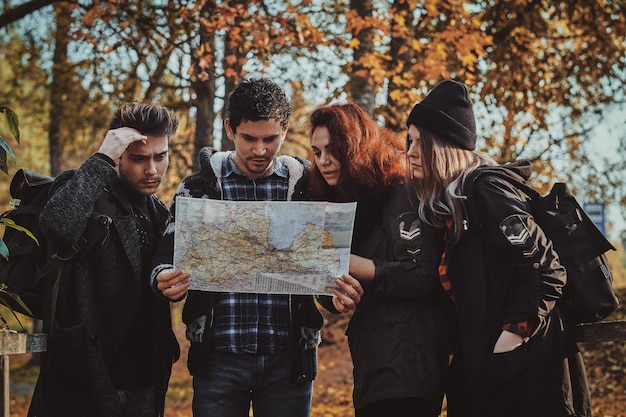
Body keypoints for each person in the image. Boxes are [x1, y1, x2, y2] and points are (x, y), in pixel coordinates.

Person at [150, 77, 363, 417]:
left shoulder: (310, 187)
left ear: (285, 129)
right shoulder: (197, 188)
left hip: (288, 361)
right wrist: (163, 277)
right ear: (230, 129)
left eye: (271, 139)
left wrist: (334, 296)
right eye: (249, 138)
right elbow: (167, 250)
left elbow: (323, 270)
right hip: (218, 358)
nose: (260, 150)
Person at [405, 79, 591, 417]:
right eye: (410, 140)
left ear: (446, 144)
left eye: (421, 141)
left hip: (527, 382)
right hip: (489, 377)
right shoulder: (454, 205)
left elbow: (546, 268)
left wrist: (511, 340)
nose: (410, 152)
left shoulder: (488, 191)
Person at [28, 102, 181, 417]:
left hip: (147, 379)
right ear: (119, 154)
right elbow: (58, 225)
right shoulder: (84, 187)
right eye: (139, 158)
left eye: (160, 157)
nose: (152, 169)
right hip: (89, 375)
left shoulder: (161, 213)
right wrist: (101, 159)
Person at [308, 103, 451, 417]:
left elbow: (424, 274)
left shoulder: (400, 191)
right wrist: (335, 296)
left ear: (356, 147)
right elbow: (330, 282)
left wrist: (359, 266)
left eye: (333, 150)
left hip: (409, 361)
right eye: (317, 152)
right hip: (373, 359)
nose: (324, 162)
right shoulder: (344, 202)